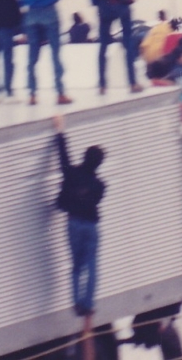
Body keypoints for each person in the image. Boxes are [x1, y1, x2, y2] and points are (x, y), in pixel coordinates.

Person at [53, 115, 105, 319]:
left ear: (84, 157)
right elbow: (95, 200)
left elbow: (63, 156)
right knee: (92, 265)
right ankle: (88, 303)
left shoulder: (71, 174)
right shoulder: (99, 185)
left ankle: (76, 303)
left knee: (76, 265)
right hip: (91, 225)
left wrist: (60, 131)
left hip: (73, 223)